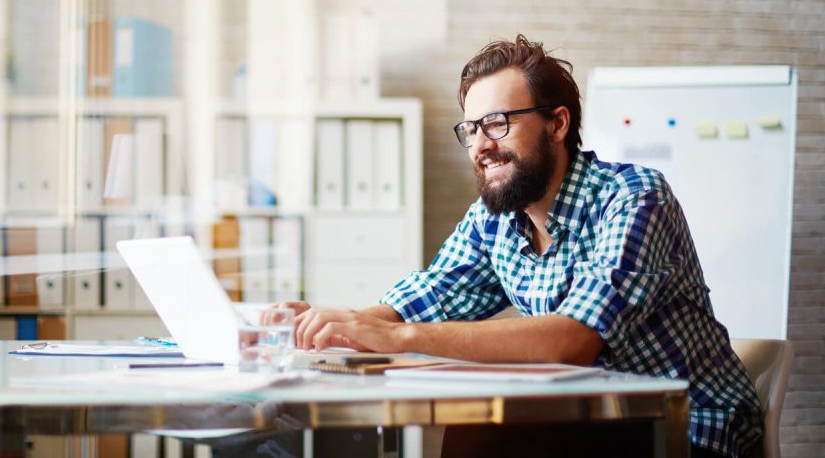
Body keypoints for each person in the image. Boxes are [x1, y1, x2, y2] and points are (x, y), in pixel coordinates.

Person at [277, 35, 764, 458]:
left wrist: (398, 339)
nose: (480, 146)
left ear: (557, 123)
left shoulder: (634, 197)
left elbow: (573, 341)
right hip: (590, 419)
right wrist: (338, 327)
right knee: (480, 429)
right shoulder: (496, 217)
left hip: (688, 429)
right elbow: (425, 295)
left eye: (497, 123)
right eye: (471, 130)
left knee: (491, 436)